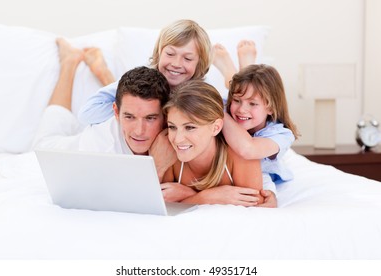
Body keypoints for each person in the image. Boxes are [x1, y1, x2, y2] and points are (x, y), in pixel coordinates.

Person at [32, 38, 175, 181]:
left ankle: (102, 71)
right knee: (56, 118)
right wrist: (158, 167)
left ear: (165, 116)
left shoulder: (176, 134)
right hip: (58, 149)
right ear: (116, 113)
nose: (139, 131)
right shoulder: (102, 148)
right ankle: (69, 62)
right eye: (129, 117)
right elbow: (127, 198)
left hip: (91, 133)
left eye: (150, 118)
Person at [77, 19, 212, 125]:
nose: (176, 64)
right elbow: (87, 113)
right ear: (159, 53)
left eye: (187, 58)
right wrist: (139, 112)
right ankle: (102, 72)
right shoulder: (142, 79)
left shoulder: (201, 93)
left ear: (199, 64)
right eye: (170, 54)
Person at [161, 80, 264, 206]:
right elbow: (162, 207)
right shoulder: (168, 153)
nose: (177, 139)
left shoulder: (240, 155)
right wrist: (205, 197)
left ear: (216, 127)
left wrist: (191, 197)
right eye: (172, 127)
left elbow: (257, 208)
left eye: (190, 127)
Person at [223, 64, 300, 200]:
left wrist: (219, 113)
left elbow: (248, 150)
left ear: (270, 107)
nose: (242, 109)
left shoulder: (281, 135)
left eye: (252, 104)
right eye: (236, 101)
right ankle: (236, 68)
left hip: (262, 172)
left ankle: (232, 68)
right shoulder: (226, 107)